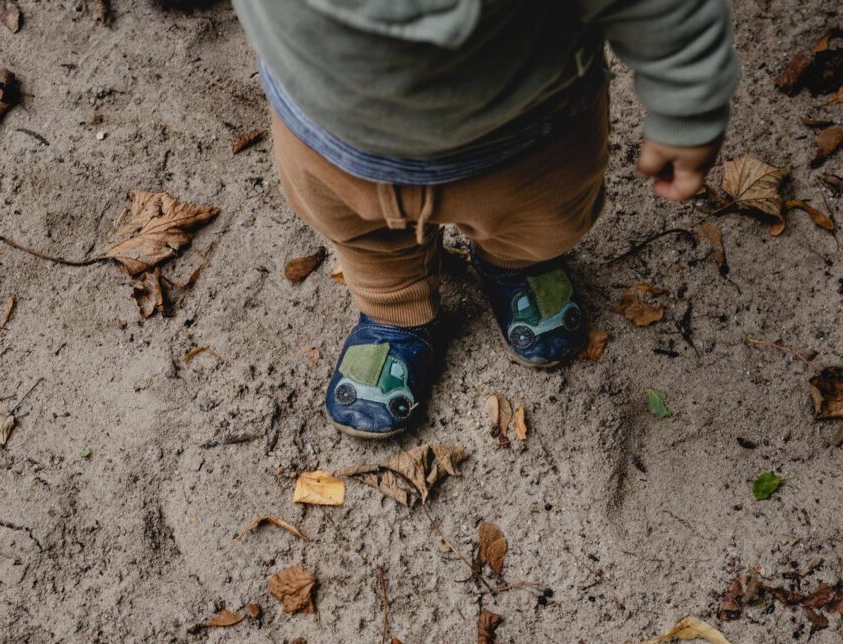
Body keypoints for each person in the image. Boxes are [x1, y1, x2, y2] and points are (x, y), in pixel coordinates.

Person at [230, 0, 740, 438]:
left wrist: (689, 92)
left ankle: (512, 260)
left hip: (530, 135)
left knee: (542, 222)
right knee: (363, 237)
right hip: (327, 142)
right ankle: (395, 303)